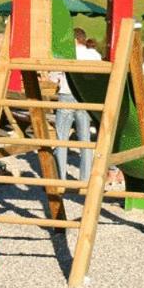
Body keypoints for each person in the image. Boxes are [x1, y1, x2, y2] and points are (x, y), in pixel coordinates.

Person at [51, 28, 102, 182]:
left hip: (66, 95)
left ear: (73, 40)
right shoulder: (95, 55)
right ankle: (85, 178)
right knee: (85, 139)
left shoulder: (66, 54)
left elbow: (54, 76)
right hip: (84, 98)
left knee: (61, 139)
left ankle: (61, 177)